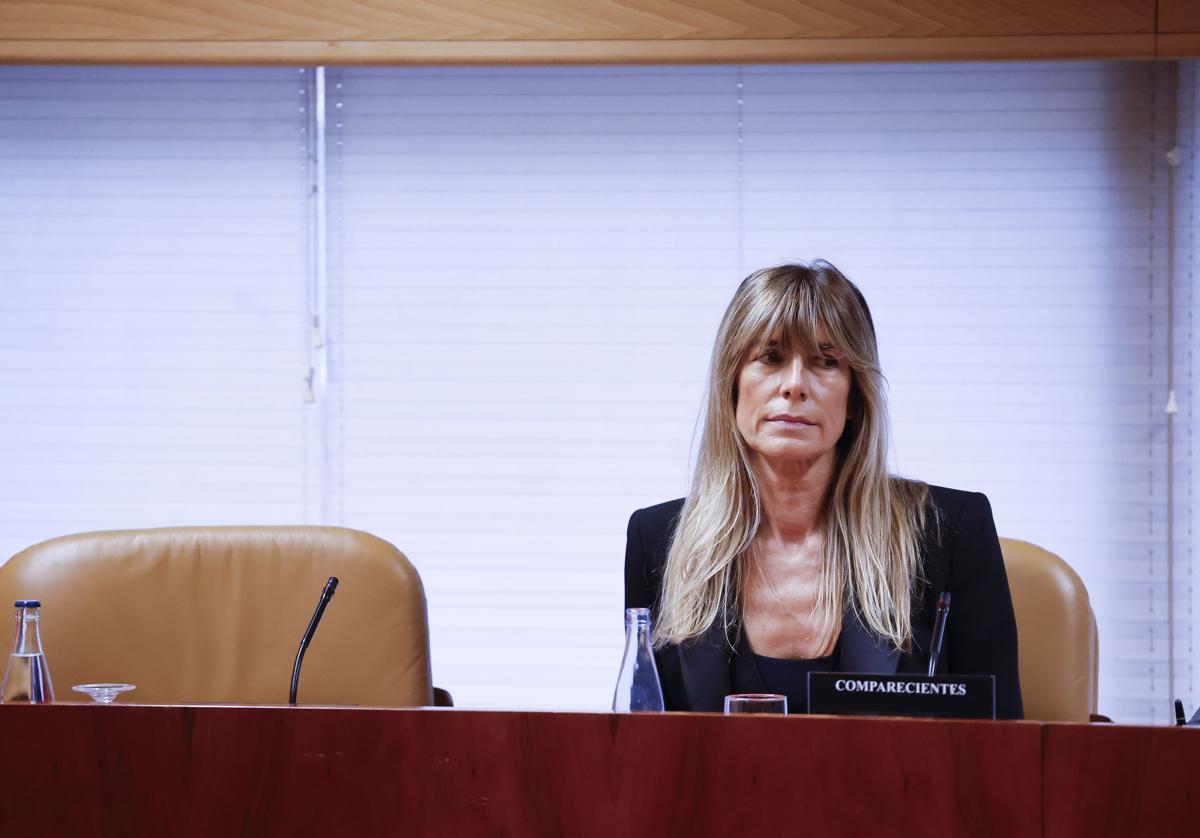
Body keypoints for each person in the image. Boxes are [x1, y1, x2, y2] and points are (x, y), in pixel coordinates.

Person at [624, 261, 1023, 719]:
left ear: (855, 396)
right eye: (770, 358)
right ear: (732, 385)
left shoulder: (950, 533)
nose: (794, 385)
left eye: (826, 361)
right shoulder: (656, 541)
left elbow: (1002, 750)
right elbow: (645, 750)